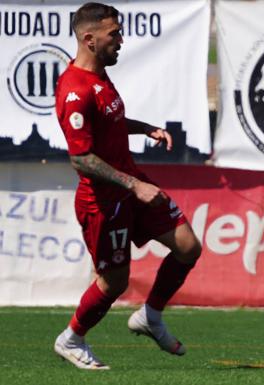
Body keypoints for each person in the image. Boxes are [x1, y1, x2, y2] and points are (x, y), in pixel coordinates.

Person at [53, 2, 202, 370]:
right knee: (114, 282)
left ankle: (150, 316)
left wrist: (145, 128)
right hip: (103, 201)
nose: (121, 40)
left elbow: (111, 120)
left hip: (131, 185)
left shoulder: (100, 77)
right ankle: (71, 338)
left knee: (188, 247)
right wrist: (134, 186)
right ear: (89, 39)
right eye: (114, 34)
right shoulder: (74, 90)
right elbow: (81, 158)